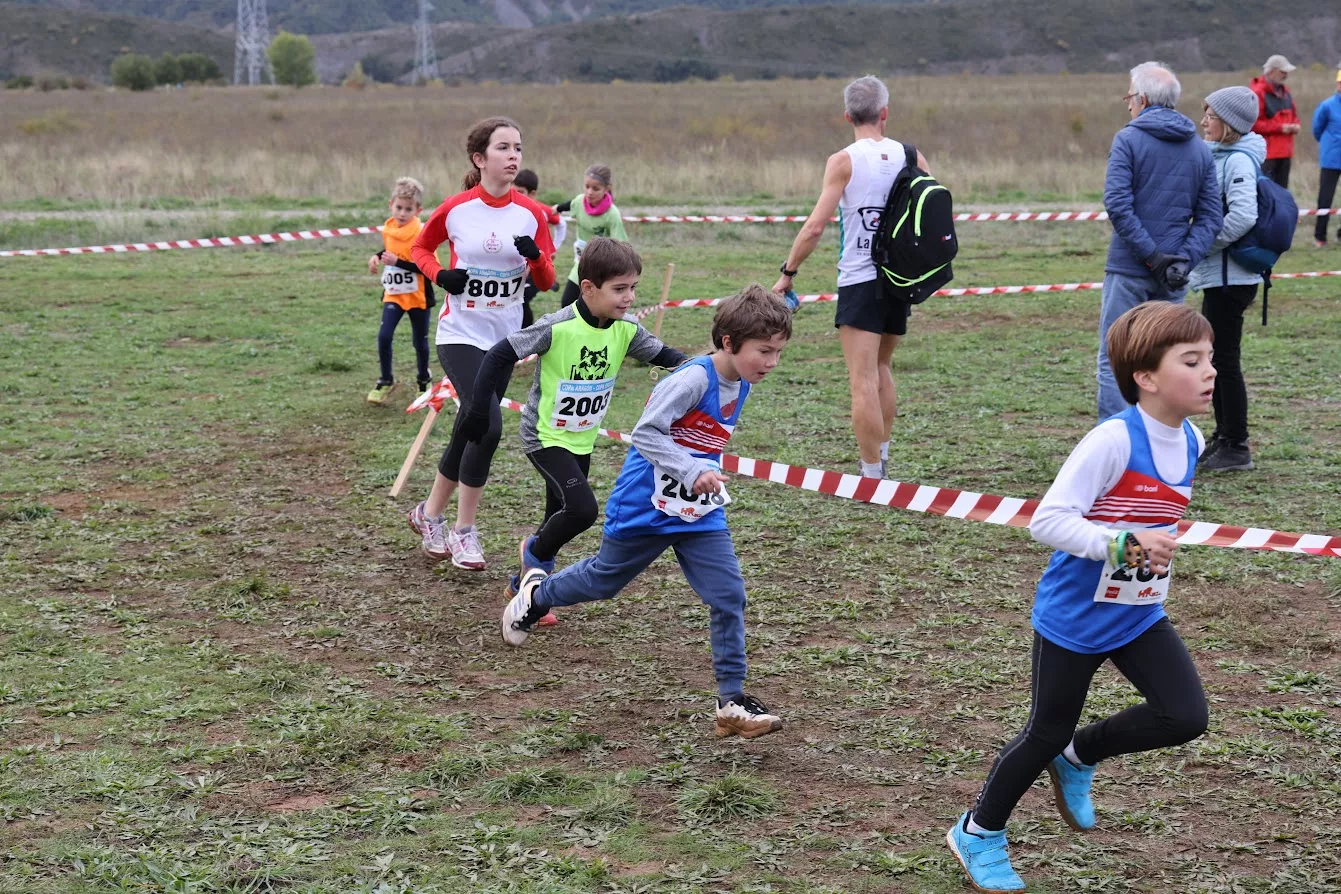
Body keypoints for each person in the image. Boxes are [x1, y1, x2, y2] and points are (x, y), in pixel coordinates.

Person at [947, 301, 1215, 893]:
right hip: (1073, 617)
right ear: (1145, 378)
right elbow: (1048, 521)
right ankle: (978, 830)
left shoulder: (1192, 438)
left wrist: (1141, 549)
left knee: (1185, 715)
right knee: (1043, 730)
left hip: (1138, 613)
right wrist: (1121, 544)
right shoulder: (1113, 440)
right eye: (1191, 360)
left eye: (1210, 359)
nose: (1210, 372)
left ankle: (1079, 755)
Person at [499, 285, 792, 740]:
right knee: (603, 581)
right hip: (645, 506)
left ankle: (730, 701)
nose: (772, 362)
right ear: (730, 342)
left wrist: (700, 475)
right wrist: (692, 467)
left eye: (778, 352)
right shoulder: (693, 379)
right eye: (764, 351)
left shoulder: (743, 380)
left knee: (729, 595)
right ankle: (535, 598)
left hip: (698, 512)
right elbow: (646, 434)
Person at [458, 237, 687, 623]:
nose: (629, 297)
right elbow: (500, 353)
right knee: (581, 510)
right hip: (545, 437)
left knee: (557, 516)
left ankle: (525, 590)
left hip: (582, 437)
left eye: (633, 288)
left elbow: (669, 358)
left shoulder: (626, 330)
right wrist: (479, 408)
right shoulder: (558, 326)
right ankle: (532, 551)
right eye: (619, 289)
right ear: (588, 288)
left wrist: (706, 372)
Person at [405, 116, 557, 570]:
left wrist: (535, 256)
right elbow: (420, 248)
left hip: (506, 342)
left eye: (519, 148)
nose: (514, 156)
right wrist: (439, 275)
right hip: (461, 336)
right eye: (504, 148)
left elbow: (547, 281)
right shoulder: (455, 209)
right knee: (488, 426)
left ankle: (428, 513)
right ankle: (463, 531)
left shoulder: (532, 213)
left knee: (470, 423)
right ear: (479, 158)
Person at [772, 75, 929, 479]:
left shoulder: (843, 160)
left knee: (862, 379)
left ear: (847, 116)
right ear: (884, 113)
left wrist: (788, 273)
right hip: (901, 278)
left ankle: (872, 474)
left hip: (860, 279)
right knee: (882, 369)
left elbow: (814, 227)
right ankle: (883, 456)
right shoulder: (912, 156)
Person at [1097, 61, 1222, 422]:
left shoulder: (1128, 139)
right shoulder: (1200, 149)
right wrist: (1182, 261)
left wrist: (1155, 258)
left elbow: (1118, 205)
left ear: (1143, 99)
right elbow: (1211, 217)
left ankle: (1117, 444)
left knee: (1114, 357)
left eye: (1130, 96)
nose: (1128, 103)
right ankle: (1160, 437)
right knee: (1167, 359)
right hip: (1173, 277)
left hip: (1130, 269)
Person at [1190, 87, 1265, 473]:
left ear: (1230, 125)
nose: (1204, 120)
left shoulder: (1238, 161)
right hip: (1219, 274)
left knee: (1225, 361)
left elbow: (1242, 216)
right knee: (1216, 357)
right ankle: (1223, 437)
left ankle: (1236, 445)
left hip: (1230, 278)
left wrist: (1202, 244)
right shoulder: (1221, 155)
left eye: (1211, 115)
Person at [366, 177, 435, 404]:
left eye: (408, 209)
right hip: (394, 293)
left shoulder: (422, 233)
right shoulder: (389, 229)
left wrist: (397, 262)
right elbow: (390, 249)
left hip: (418, 296)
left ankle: (423, 380)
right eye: (398, 207)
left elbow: (427, 267)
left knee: (419, 342)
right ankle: (386, 380)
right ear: (390, 205)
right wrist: (377, 257)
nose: (402, 213)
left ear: (418, 210)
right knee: (384, 337)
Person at [554, 164, 627, 309]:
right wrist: (555, 209)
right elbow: (569, 205)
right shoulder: (580, 202)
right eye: (587, 186)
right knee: (567, 302)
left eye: (595, 188)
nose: (589, 192)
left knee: (595, 308)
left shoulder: (612, 214)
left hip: (603, 267)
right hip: (582, 262)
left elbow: (621, 246)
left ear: (607, 189)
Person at [513, 168, 568, 326]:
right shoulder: (509, 208)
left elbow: (561, 223)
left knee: (521, 300)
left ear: (532, 194)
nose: (515, 194)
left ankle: (526, 336)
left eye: (520, 191)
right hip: (516, 266)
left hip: (535, 265)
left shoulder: (541, 211)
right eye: (513, 190)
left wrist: (553, 249)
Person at [1249, 55, 1302, 189]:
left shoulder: (1286, 92)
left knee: (1282, 193)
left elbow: (1294, 114)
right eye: (1283, 72)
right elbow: (1253, 124)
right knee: (1265, 192)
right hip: (1266, 154)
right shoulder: (1257, 93)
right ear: (1271, 72)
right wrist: (1280, 128)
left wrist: (1295, 125)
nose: (1286, 75)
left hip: (1285, 152)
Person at [1311, 67, 1341, 248]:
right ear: (1338, 84)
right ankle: (1320, 237)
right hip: (1331, 159)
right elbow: (1317, 130)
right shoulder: (1327, 106)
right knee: (1325, 199)